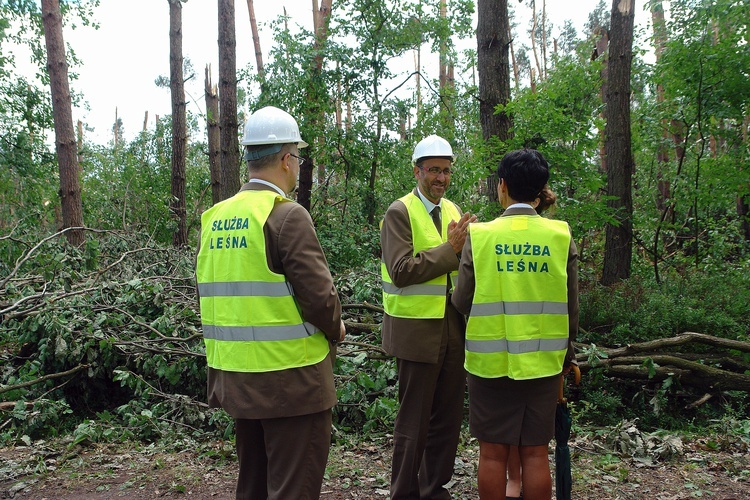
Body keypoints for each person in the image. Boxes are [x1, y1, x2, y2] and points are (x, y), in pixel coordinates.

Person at [196, 106, 346, 500]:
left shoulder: (215, 218)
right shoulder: (286, 216)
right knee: (294, 488)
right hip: (292, 382)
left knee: (254, 486)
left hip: (237, 378)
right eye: (296, 156)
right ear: (285, 159)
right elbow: (320, 299)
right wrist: (338, 328)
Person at [451, 148, 579, 500]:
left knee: (493, 452)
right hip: (543, 364)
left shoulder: (480, 236)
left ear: (502, 186)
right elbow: (572, 309)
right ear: (541, 189)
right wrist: (567, 355)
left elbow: (462, 302)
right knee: (536, 452)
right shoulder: (559, 236)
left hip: (489, 364)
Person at [380, 134, 476, 499]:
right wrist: (450, 250)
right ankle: (403, 493)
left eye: (446, 171)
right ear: (417, 171)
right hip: (415, 331)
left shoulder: (453, 210)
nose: (441, 178)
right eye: (434, 170)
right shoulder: (399, 212)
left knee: (448, 420)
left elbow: (462, 269)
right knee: (414, 421)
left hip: (452, 325)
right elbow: (402, 270)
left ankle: (434, 490)